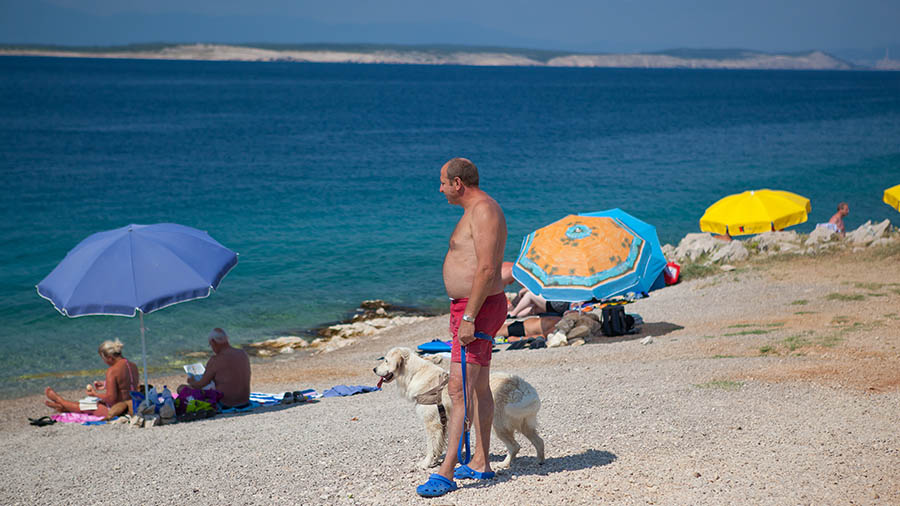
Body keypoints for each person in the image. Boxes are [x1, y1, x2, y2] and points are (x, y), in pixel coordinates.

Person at [417, 157, 508, 498]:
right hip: (472, 306)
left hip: (477, 307)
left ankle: (447, 471)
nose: (439, 189)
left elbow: (487, 269)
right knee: (478, 386)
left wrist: (468, 317)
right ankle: (482, 462)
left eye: (442, 182)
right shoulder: (477, 211)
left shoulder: (483, 210)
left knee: (458, 390)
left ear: (458, 183)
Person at [44, 338, 139, 419]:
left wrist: (95, 394)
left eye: (104, 359)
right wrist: (106, 384)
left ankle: (60, 401)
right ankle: (61, 407)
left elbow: (111, 399)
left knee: (87, 405)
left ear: (109, 358)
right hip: (132, 405)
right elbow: (126, 384)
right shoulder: (133, 365)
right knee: (87, 404)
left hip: (119, 409)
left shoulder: (112, 370)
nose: (105, 362)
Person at [184, 328, 251, 409]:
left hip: (226, 403)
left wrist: (192, 381)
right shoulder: (243, 354)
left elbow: (200, 385)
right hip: (245, 401)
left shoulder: (216, 359)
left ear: (213, 342)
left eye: (210, 344)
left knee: (182, 389)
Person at [508, 288, 573, 318]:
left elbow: (546, 289)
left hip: (559, 304)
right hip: (564, 306)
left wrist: (527, 289)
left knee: (529, 295)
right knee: (534, 308)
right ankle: (515, 315)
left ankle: (513, 313)